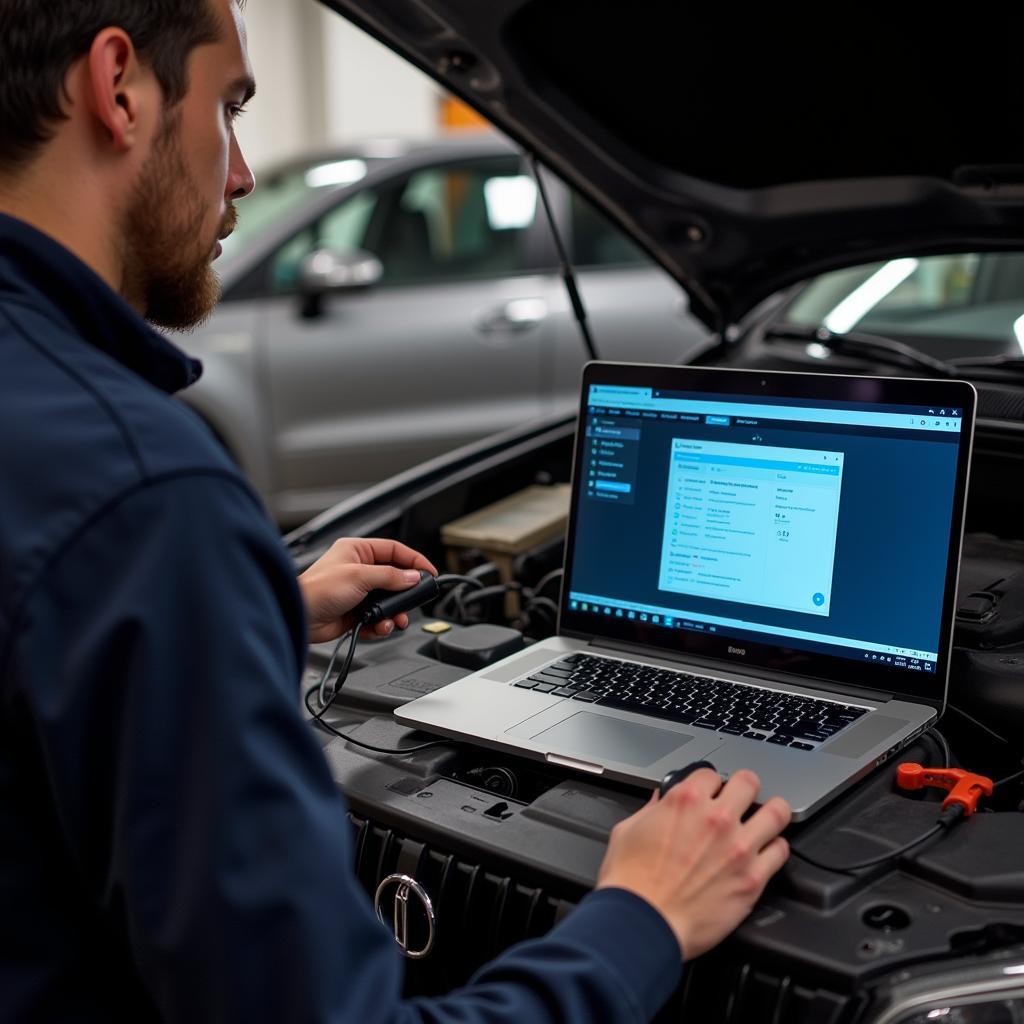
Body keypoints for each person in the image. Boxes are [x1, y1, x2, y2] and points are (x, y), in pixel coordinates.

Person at [0, 1, 792, 1020]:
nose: (238, 172)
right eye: (229, 108)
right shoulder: (147, 500)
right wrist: (639, 916)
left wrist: (250, 612)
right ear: (119, 88)